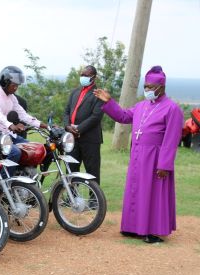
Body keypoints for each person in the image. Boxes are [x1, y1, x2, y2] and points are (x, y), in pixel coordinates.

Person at [94, 66, 183, 244]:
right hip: (137, 155)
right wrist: (109, 102)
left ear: (161, 87)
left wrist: (164, 165)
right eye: (146, 86)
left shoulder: (172, 108)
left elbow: (171, 139)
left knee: (153, 194)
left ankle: (153, 231)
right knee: (136, 191)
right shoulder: (141, 106)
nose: (148, 90)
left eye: (151, 87)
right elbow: (124, 116)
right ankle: (132, 227)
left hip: (156, 158)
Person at [0, 66, 47, 173]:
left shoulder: (12, 97)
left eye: (17, 85)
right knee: (15, 152)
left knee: (32, 149)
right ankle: (5, 183)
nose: (16, 88)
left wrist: (44, 125)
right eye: (14, 85)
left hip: (8, 134)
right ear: (5, 82)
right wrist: (10, 125)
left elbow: (23, 115)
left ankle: (23, 175)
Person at [63, 65, 104, 184]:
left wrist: (79, 129)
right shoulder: (75, 92)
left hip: (90, 139)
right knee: (71, 169)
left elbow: (96, 116)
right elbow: (66, 112)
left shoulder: (98, 94)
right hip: (72, 139)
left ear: (93, 77)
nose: (83, 77)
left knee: (92, 171)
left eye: (86, 75)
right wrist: (67, 127)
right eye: (81, 75)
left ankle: (94, 200)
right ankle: (71, 197)